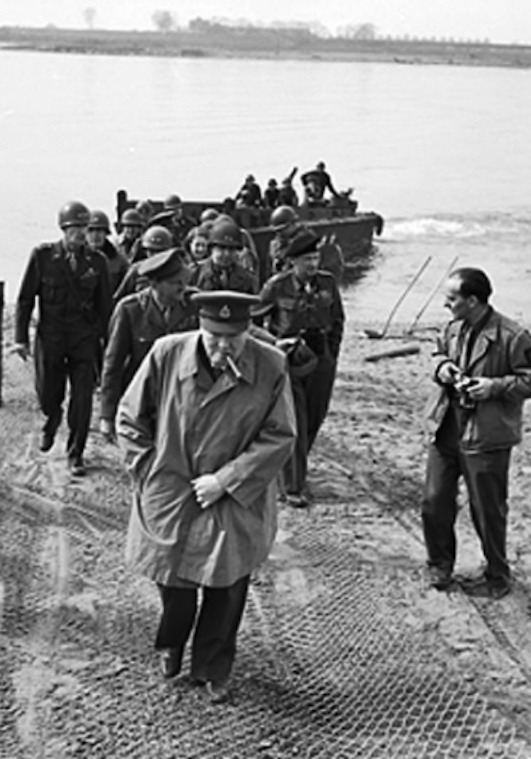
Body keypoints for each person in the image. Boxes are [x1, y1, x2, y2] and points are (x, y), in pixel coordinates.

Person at [116, 290, 296, 704]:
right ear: (200, 327)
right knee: (173, 579)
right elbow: (130, 417)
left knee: (227, 584)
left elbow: (281, 435)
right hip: (172, 488)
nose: (222, 348)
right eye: (214, 338)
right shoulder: (166, 354)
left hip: (233, 496)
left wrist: (227, 480)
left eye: (232, 340)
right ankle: (171, 645)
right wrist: (148, 471)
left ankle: (213, 666)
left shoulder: (271, 365)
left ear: (248, 332)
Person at [422, 267, 531, 599]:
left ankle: (497, 573)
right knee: (435, 501)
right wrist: (443, 369)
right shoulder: (452, 328)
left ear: (473, 300)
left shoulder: (512, 336)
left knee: (488, 508)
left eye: (451, 299)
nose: (445, 304)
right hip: (446, 428)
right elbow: (436, 354)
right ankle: (440, 565)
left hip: (486, 435)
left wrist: (494, 387)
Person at [14, 200, 112, 476]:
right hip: (51, 338)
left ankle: (75, 454)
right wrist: (20, 337)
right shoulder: (43, 257)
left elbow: (105, 307)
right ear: (63, 229)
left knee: (82, 399)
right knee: (48, 394)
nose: (80, 233)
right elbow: (25, 299)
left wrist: (109, 344)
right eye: (74, 228)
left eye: (84, 228)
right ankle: (52, 417)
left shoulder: (97, 262)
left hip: (83, 340)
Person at [258, 229, 345, 508]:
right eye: (306, 259)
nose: (313, 264)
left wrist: (331, 353)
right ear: (292, 261)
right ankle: (293, 486)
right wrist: (275, 345)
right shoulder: (276, 286)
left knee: (315, 417)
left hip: (321, 360)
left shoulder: (328, 283)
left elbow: (338, 320)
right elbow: (251, 323)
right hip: (289, 362)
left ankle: (293, 471)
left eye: (316, 257)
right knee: (295, 420)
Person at [99, 248, 198, 443]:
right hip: (141, 397)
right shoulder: (130, 310)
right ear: (155, 284)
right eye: (175, 283)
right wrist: (107, 415)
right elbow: (113, 364)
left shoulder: (194, 304)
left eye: (184, 282)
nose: (182, 288)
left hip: (181, 397)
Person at [193, 218, 258, 295]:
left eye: (231, 249)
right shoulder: (196, 273)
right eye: (222, 248)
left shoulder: (247, 279)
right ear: (211, 249)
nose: (226, 254)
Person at [114, 225, 176, 302]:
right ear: (145, 251)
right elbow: (120, 297)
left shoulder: (176, 270)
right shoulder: (136, 270)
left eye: (160, 251)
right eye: (151, 251)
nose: (155, 255)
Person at [86, 209, 129, 295]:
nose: (95, 235)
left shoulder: (119, 260)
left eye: (99, 230)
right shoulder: (75, 259)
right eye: (91, 230)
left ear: (106, 233)